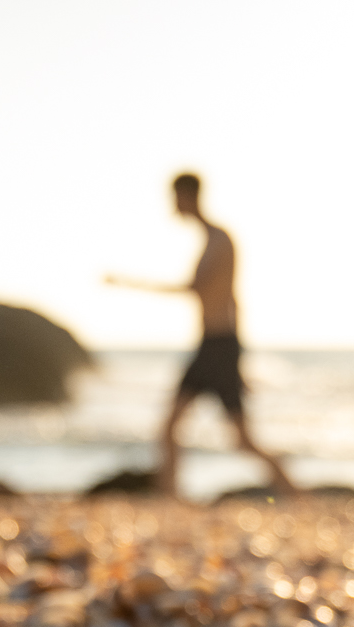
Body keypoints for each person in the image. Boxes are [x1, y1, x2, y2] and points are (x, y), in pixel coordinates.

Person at [106, 172, 295, 498]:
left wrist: (131, 284)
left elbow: (202, 290)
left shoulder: (220, 240)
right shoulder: (211, 239)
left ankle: (295, 494)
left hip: (219, 348)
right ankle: (171, 497)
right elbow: (232, 301)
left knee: (239, 439)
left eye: (176, 197)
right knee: (172, 428)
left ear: (189, 196)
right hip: (212, 346)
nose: (174, 205)